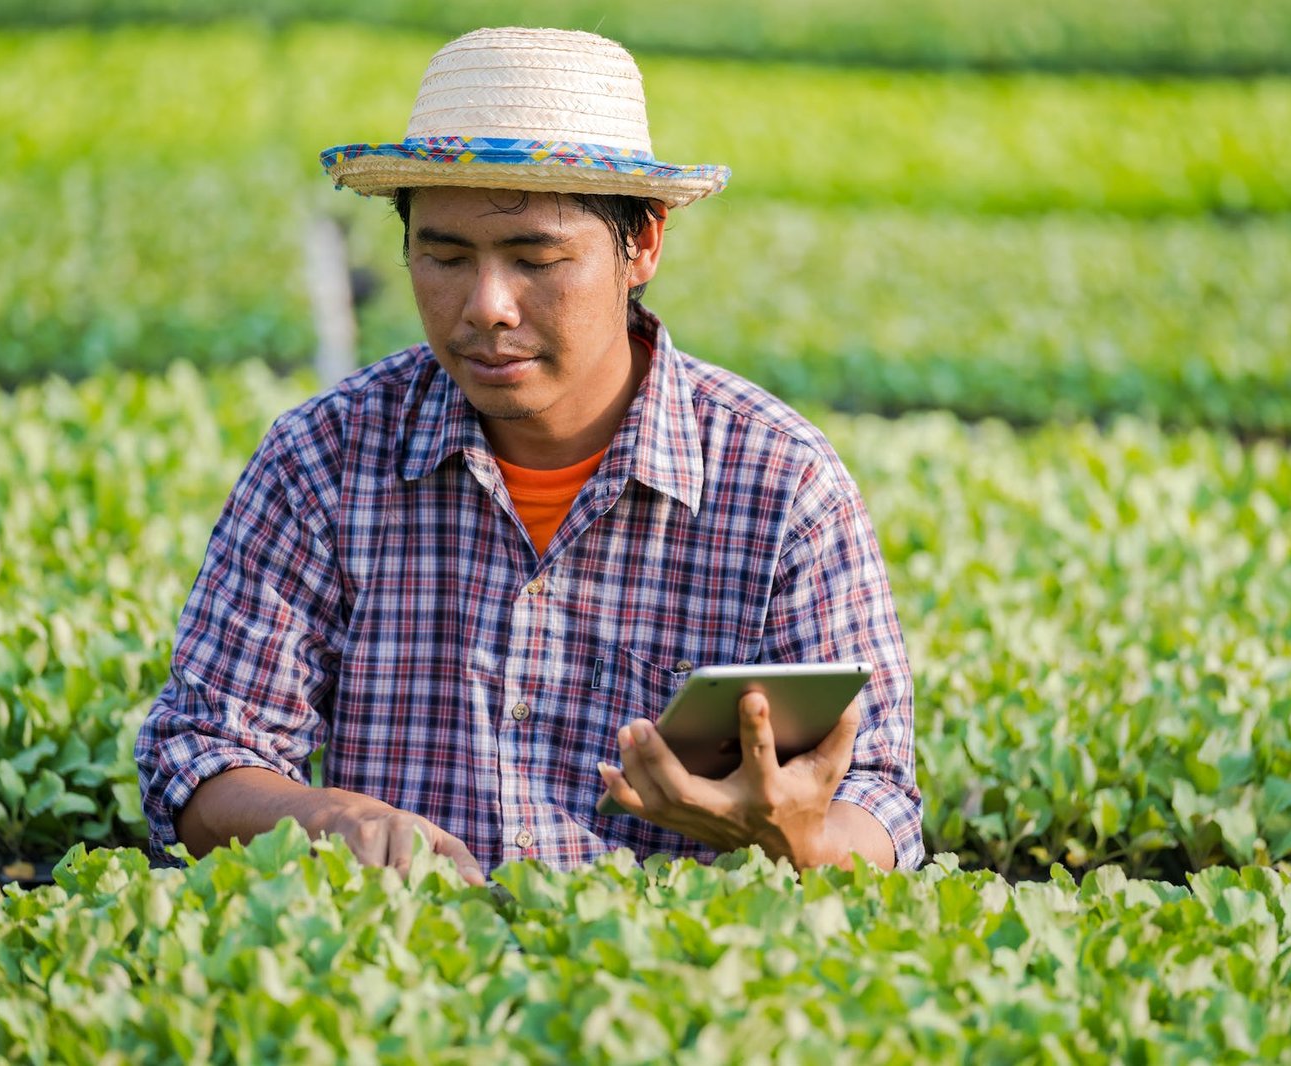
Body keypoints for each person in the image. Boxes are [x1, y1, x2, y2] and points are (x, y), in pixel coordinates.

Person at [135, 26, 921, 885]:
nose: (486, 307)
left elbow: (880, 804)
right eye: (443, 256)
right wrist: (332, 817)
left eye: (536, 259)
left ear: (643, 245)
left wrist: (788, 834)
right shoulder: (321, 461)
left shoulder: (783, 487)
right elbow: (201, 754)